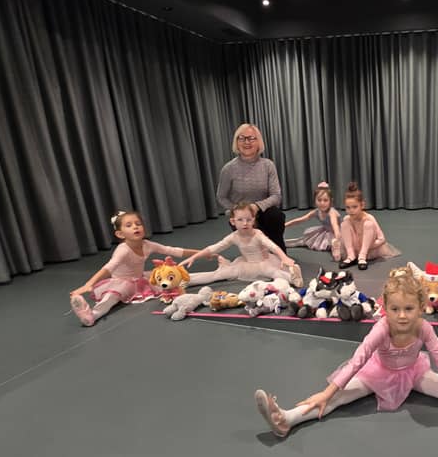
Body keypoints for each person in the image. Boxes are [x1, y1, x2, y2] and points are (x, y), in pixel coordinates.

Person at [253, 265, 438, 438]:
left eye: (408, 309)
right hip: (378, 373)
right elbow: (358, 360)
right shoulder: (382, 329)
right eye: (395, 309)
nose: (402, 316)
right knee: (336, 399)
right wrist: (326, 392)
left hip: (414, 373)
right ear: (386, 308)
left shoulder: (424, 328)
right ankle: (287, 418)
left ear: (421, 307)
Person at [69, 210, 198, 327]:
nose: (135, 227)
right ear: (120, 234)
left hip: (140, 278)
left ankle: (211, 275)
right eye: (129, 225)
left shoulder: (147, 244)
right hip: (121, 282)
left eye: (138, 224)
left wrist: (201, 253)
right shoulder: (123, 250)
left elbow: (172, 250)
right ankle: (91, 315)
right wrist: (89, 284)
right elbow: (109, 267)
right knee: (110, 298)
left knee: (176, 278)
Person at [180, 202, 303, 287]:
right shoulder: (234, 237)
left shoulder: (257, 234)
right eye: (240, 220)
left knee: (273, 272)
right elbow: (214, 248)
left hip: (264, 263)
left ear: (253, 220)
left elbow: (272, 246)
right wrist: (194, 257)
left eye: (248, 220)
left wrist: (284, 258)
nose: (245, 223)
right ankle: (185, 279)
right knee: (218, 275)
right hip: (245, 265)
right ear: (233, 221)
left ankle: (294, 278)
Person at [216, 123, 287, 252]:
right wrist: (238, 210)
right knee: (255, 254)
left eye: (251, 138)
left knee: (276, 216)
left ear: (258, 142)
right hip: (241, 215)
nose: (246, 142)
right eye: (242, 138)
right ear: (236, 142)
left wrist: (256, 206)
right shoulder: (228, 169)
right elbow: (221, 197)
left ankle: (279, 253)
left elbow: (276, 196)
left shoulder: (268, 165)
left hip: (264, 212)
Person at [337, 182, 400, 271]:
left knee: (368, 224)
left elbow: (382, 239)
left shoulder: (369, 218)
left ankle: (362, 257)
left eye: (354, 207)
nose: (351, 210)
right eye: (348, 207)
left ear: (362, 205)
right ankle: (351, 256)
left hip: (368, 248)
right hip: (354, 248)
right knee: (344, 224)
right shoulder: (348, 218)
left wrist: (366, 246)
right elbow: (345, 237)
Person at [284, 181, 343, 261]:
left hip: (338, 233)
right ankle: (290, 243)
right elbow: (301, 219)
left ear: (330, 201)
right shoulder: (316, 211)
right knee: (305, 240)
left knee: (334, 243)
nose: (322, 203)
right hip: (326, 231)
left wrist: (337, 239)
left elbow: (334, 225)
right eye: (319, 200)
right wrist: (285, 225)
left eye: (325, 200)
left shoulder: (332, 212)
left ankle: (336, 249)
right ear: (315, 200)